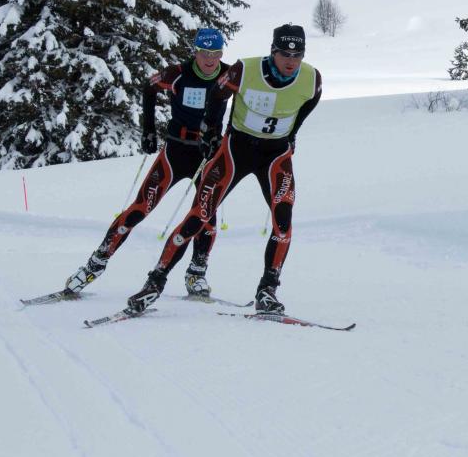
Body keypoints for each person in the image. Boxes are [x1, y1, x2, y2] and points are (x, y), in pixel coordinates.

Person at [125, 24, 322, 315]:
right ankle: (155, 282)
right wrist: (211, 132)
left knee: (283, 219)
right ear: (273, 52)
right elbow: (217, 95)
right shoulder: (246, 70)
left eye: (298, 54)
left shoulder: (311, 78)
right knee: (200, 215)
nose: (291, 61)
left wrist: (292, 133)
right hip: (235, 151)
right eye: (284, 54)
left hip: (275, 155)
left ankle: (267, 291)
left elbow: (310, 102)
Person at [64, 28, 231, 297]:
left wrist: (227, 139)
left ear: (222, 53)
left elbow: (245, 103)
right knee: (140, 208)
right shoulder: (177, 73)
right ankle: (95, 264)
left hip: (207, 153)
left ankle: (196, 273)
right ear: (195, 52)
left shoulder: (229, 75)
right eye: (204, 52)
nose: (210, 59)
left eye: (215, 53)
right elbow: (149, 88)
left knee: (205, 216)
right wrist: (149, 130)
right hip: (175, 151)